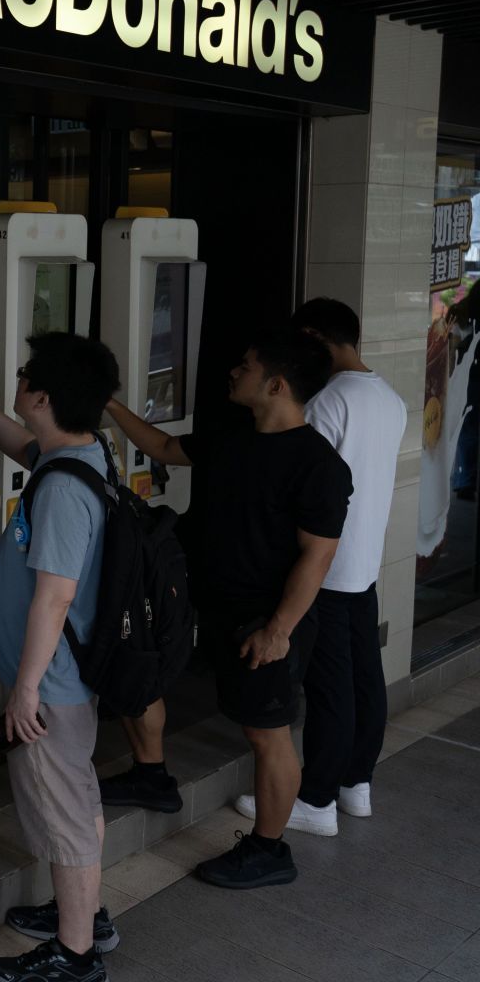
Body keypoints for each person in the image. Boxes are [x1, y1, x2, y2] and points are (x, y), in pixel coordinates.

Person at [106, 327, 351, 889]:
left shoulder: (318, 466)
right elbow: (163, 449)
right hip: (209, 605)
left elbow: (317, 558)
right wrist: (109, 404)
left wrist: (279, 630)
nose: (234, 372)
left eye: (246, 365)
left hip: (264, 621)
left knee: (267, 733)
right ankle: (151, 776)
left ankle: (269, 850)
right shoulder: (232, 435)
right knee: (167, 684)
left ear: (277, 383)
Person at [0, 333, 122, 982]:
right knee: (77, 800)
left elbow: (53, 600)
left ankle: (75, 955)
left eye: (24, 377)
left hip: (50, 686)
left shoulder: (62, 492)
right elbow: (17, 443)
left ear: (44, 396)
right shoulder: (78, 453)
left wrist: (25, 690)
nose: (18, 383)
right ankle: (85, 916)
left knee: (66, 815)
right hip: (62, 680)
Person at [233, 300, 404, 835]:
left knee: (330, 686)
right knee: (363, 676)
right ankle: (356, 784)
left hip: (324, 567)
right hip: (364, 560)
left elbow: (301, 475)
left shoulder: (331, 401)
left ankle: (318, 798)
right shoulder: (389, 396)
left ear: (314, 337)